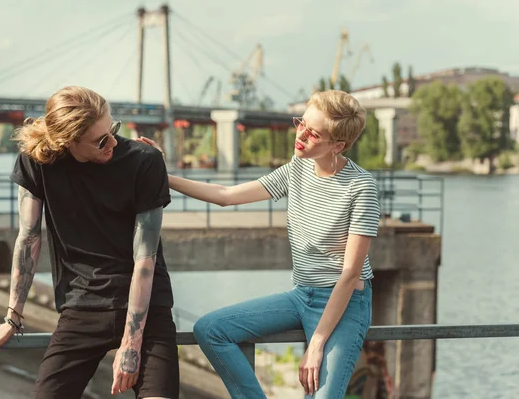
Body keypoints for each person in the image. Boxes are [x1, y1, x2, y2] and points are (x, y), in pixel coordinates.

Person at [137, 90, 380, 399]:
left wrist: (316, 345)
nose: (301, 135)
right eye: (301, 124)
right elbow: (226, 196)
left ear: (338, 145)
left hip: (346, 305)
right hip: (301, 295)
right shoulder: (298, 169)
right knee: (211, 330)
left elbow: (348, 275)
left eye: (314, 133)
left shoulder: (361, 187)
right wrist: (163, 174)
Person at [0, 86, 179, 399]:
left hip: (148, 310)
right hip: (82, 306)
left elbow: (145, 259)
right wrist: (12, 319)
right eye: (100, 141)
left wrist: (131, 343)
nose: (112, 142)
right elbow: (29, 238)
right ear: (67, 142)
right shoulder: (36, 162)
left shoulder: (145, 160)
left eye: (113, 130)